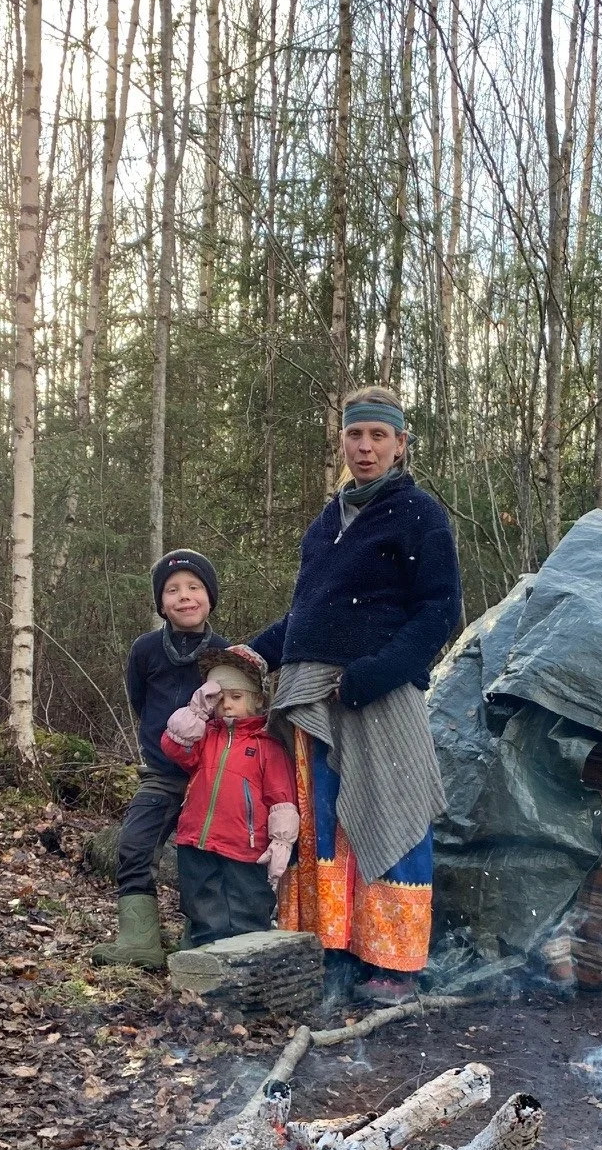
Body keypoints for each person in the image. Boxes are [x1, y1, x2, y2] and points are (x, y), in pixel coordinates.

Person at [249, 386, 461, 999]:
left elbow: (438, 611)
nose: (364, 447)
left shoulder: (419, 513)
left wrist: (374, 672)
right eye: (354, 435)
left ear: (400, 444)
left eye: (378, 436)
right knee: (326, 823)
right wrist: (256, 652)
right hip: (315, 697)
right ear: (341, 440)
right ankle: (337, 948)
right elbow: (307, 615)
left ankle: (394, 964)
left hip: (380, 693)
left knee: (394, 810)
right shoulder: (325, 523)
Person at [94, 549, 227, 967]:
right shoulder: (146, 649)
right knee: (134, 846)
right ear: (161, 602)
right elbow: (140, 700)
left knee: (203, 858)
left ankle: (201, 941)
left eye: (194, 587)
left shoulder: (225, 653)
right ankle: (140, 941)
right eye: (173, 590)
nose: (184, 597)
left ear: (209, 597)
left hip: (210, 777)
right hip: (160, 775)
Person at [160, 645, 299, 946]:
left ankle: (246, 974)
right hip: (196, 840)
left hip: (246, 849)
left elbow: (282, 799)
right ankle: (202, 967)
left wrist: (281, 841)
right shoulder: (204, 734)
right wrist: (196, 711)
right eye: (219, 698)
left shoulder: (267, 745)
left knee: (247, 913)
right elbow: (174, 747)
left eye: (236, 697)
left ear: (257, 700)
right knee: (202, 909)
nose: (227, 706)